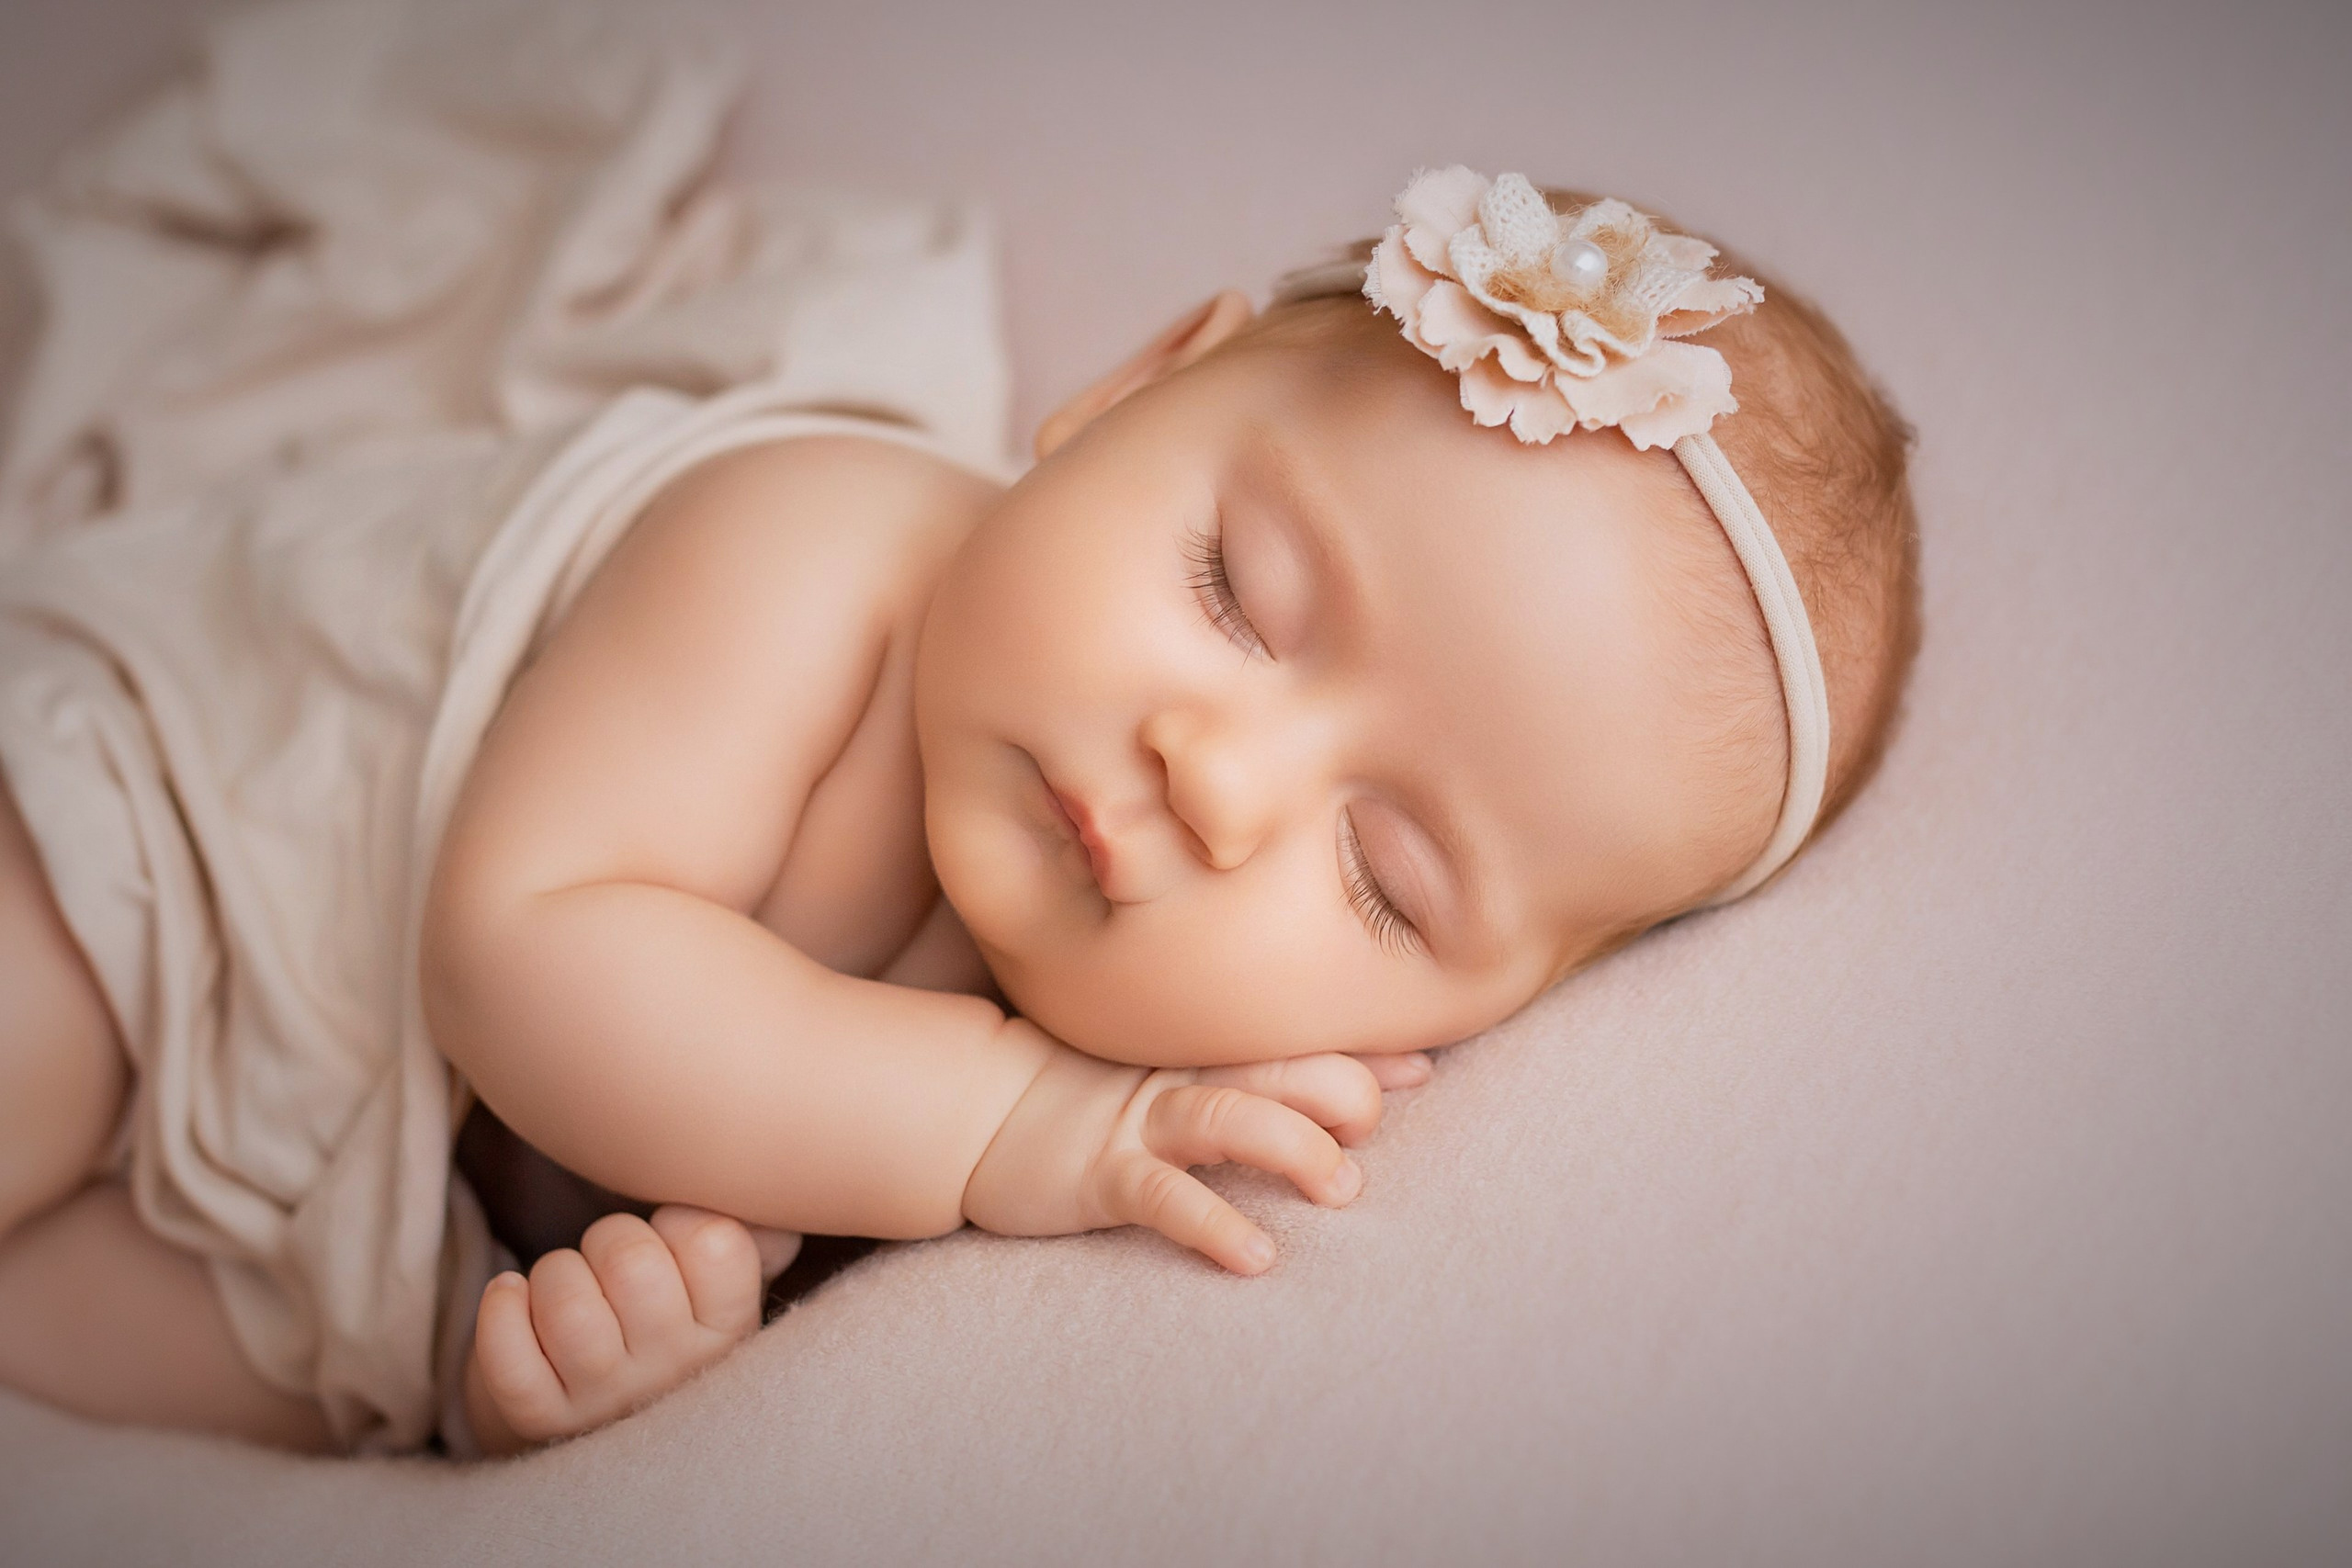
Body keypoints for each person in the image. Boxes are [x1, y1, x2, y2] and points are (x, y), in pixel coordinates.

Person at [0, 160, 1918, 1456]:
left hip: (332, 1188)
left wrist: (560, 1369)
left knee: (194, 1371)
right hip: (160, 841)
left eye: (1379, 874)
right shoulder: (814, 545)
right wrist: (1016, 1121)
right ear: (1117, 394)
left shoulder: (1117, 1039)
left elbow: (579, 1176)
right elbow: (525, 959)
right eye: (1234, 591)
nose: (1215, 772)